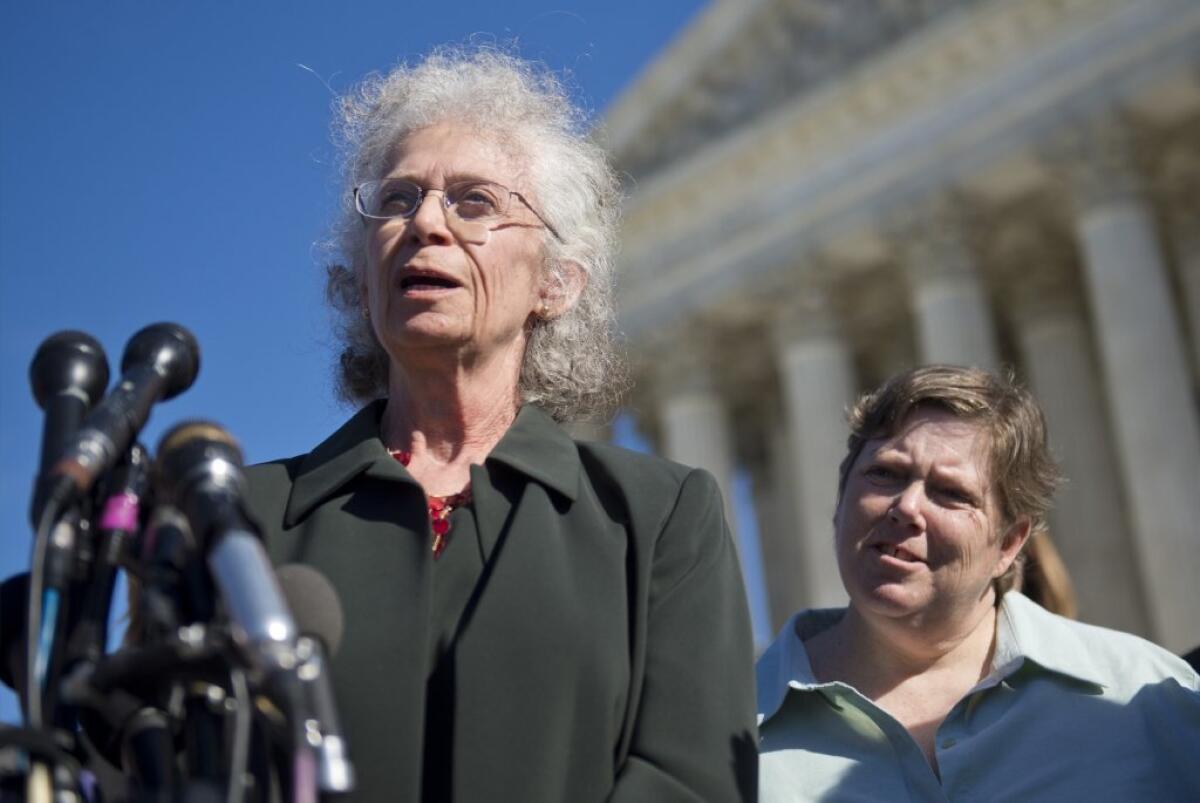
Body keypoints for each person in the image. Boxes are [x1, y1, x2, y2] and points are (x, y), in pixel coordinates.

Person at [244, 49, 757, 802]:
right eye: (396, 200)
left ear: (555, 283)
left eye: (473, 202)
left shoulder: (657, 520)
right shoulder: (241, 522)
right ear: (359, 276)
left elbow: (691, 780)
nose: (424, 223)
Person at [756, 365, 1200, 801]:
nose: (906, 506)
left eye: (951, 493)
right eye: (885, 474)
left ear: (1008, 544)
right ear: (841, 501)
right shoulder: (726, 730)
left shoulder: (1151, 701)